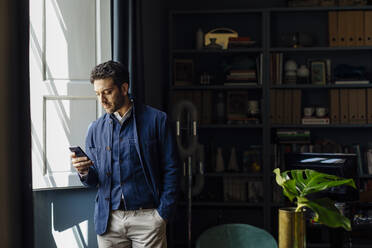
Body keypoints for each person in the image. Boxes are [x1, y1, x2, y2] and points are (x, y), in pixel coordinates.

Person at [71, 60, 179, 248]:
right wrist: (84, 172)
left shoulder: (157, 120)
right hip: (109, 222)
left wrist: (162, 214)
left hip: (148, 219)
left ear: (124, 88)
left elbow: (172, 169)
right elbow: (94, 181)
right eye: (97, 94)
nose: (102, 100)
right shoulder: (94, 129)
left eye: (107, 92)